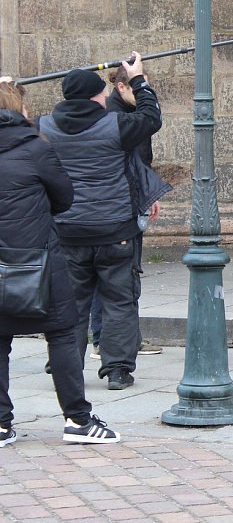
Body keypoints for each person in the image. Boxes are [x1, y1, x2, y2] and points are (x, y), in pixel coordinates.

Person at [0, 77, 120, 444]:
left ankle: (1, 423)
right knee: (64, 333)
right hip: (38, 259)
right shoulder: (35, 149)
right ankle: (78, 420)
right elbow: (64, 198)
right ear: (19, 110)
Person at [38, 52, 163, 391]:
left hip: (68, 230)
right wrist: (138, 79)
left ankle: (66, 364)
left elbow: (11, 122)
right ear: (95, 96)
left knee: (72, 304)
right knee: (119, 301)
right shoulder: (116, 126)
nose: (106, 97)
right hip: (114, 229)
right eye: (102, 94)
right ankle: (118, 370)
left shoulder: (44, 127)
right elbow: (151, 117)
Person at [88, 64, 166, 361]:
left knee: (125, 273)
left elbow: (139, 160)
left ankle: (124, 339)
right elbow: (128, 160)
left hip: (130, 199)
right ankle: (104, 339)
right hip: (118, 205)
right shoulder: (115, 116)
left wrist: (148, 192)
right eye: (138, 85)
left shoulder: (125, 112)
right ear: (122, 87)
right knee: (112, 275)